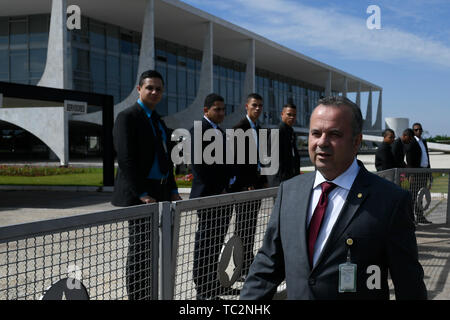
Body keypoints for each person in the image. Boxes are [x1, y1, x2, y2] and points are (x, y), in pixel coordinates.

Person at [240, 96, 427, 300]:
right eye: (316, 133)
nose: (322, 142)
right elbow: (267, 267)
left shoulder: (390, 200)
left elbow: (409, 285)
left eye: (334, 134)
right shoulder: (289, 191)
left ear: (356, 142)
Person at [111, 70, 182, 300]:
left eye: (158, 89)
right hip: (141, 194)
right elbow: (125, 159)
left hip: (160, 191)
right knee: (141, 251)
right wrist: (141, 192)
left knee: (155, 251)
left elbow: (166, 158)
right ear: (139, 89)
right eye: (149, 87)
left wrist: (172, 190)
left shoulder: (159, 121)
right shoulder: (127, 117)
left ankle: (149, 295)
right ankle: (138, 297)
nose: (154, 92)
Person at [189, 93, 237, 299]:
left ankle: (213, 286)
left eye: (223, 109)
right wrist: (219, 188)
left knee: (217, 243)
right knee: (206, 244)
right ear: (205, 111)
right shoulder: (199, 131)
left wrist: (228, 185)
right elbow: (200, 167)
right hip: (209, 197)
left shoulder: (221, 132)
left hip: (223, 197)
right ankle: (203, 290)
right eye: (217, 109)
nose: (221, 113)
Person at [230, 93, 268, 280]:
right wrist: (246, 185)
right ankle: (240, 268)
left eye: (260, 105)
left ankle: (247, 264)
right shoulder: (239, 128)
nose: (258, 108)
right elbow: (236, 161)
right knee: (243, 228)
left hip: (257, 187)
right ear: (246, 106)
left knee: (251, 227)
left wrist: (264, 181)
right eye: (254, 105)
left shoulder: (259, 129)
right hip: (245, 188)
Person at [268, 103, 301, 186]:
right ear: (282, 114)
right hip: (280, 182)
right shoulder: (277, 132)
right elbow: (272, 161)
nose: (292, 117)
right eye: (289, 114)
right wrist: (277, 183)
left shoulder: (291, 132)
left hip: (291, 179)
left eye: (294, 115)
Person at [406, 123, 432, 224]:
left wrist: (429, 173)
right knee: (413, 196)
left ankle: (420, 217)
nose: (419, 131)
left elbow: (427, 158)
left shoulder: (423, 142)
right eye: (416, 130)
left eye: (420, 129)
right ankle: (411, 218)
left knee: (420, 195)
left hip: (424, 172)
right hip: (416, 173)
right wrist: (411, 174)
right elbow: (409, 159)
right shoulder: (411, 142)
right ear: (413, 131)